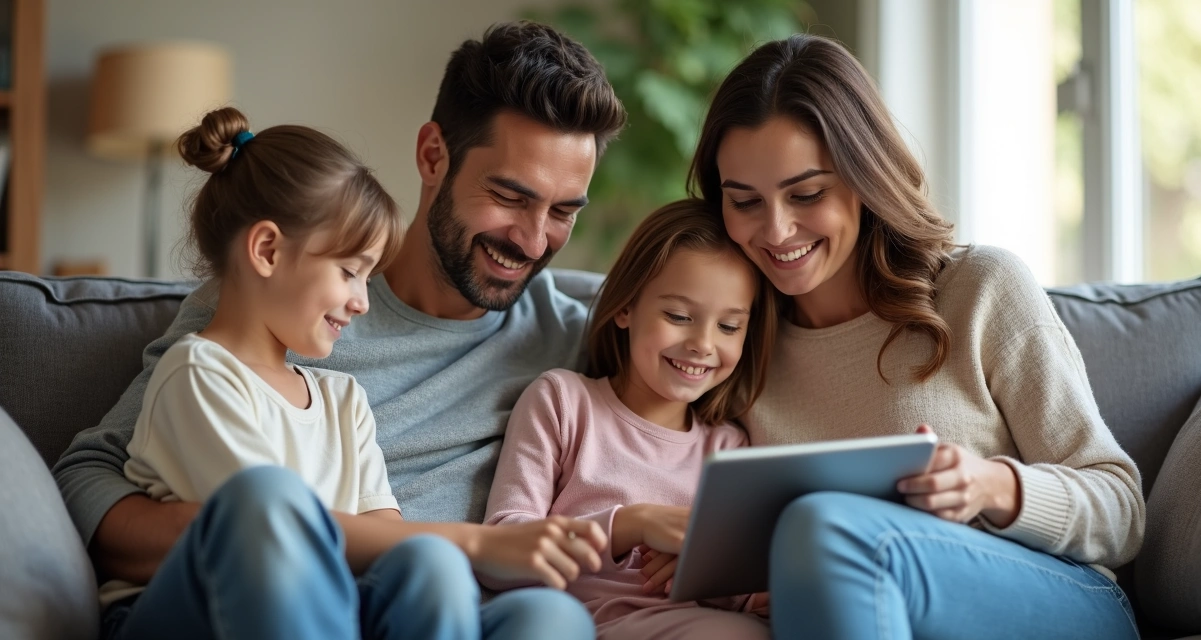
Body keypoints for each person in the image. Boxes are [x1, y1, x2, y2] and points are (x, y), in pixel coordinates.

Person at [52, 21, 626, 639]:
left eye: (563, 211)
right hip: (249, 595)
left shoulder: (584, 341)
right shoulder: (269, 301)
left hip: (422, 605)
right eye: (511, 197)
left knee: (551, 618)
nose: (535, 239)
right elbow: (89, 476)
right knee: (273, 510)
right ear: (434, 154)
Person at [688, 34, 1144, 639]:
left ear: (863, 175)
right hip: (868, 608)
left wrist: (993, 485)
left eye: (807, 194)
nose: (776, 229)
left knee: (827, 527)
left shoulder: (980, 288)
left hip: (1063, 601)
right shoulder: (732, 340)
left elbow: (1121, 511)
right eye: (744, 201)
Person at [101, 105, 456, 639]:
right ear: (267, 250)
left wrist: (440, 556)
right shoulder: (197, 373)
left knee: (430, 562)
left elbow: (388, 539)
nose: (363, 301)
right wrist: (474, 542)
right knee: (269, 501)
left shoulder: (344, 400)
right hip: (193, 612)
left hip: (317, 606)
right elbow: (270, 536)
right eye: (349, 272)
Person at [483, 199, 779, 639]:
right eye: (679, 317)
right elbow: (502, 549)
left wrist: (717, 570)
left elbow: (739, 594)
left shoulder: (729, 448)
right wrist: (632, 524)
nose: (702, 344)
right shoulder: (563, 401)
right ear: (626, 308)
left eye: (729, 327)